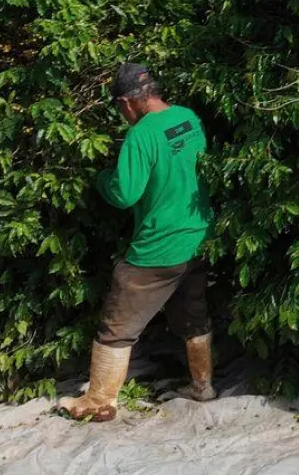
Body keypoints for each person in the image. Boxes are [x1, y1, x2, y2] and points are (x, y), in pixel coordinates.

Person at [58, 63, 216, 422]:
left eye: (120, 108)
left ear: (128, 103)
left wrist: (102, 180)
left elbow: (125, 193)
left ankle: (99, 402)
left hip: (158, 247)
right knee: (193, 315)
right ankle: (202, 386)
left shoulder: (141, 135)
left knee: (116, 326)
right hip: (198, 236)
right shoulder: (188, 118)